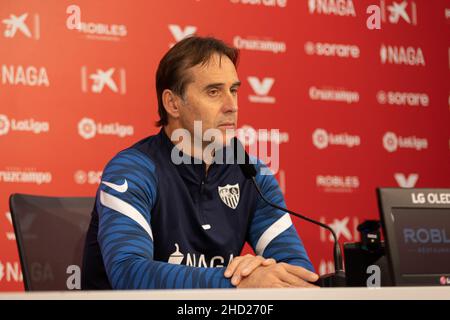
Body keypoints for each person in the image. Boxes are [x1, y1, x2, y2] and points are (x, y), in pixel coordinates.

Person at [81, 36, 318, 289]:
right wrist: (238, 283)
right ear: (172, 103)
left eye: (234, 90)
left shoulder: (252, 174)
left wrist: (261, 274)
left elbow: (300, 276)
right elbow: (129, 274)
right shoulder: (133, 170)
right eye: (213, 92)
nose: (232, 106)